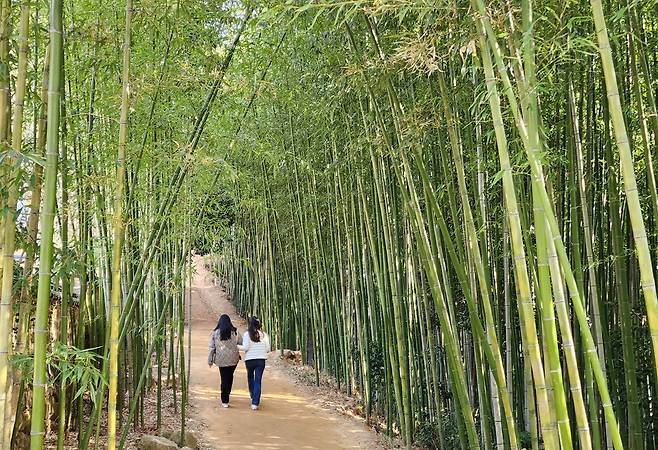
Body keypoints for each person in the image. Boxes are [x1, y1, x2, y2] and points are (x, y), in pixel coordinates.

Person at [208, 314, 242, 407]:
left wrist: (210, 360)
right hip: (234, 359)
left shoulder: (215, 333)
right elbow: (241, 342)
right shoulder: (235, 331)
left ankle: (225, 400)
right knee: (230, 376)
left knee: (224, 378)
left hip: (221, 359)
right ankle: (227, 393)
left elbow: (211, 347)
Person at [238, 316, 271, 410]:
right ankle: (255, 403)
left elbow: (245, 348)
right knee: (258, 380)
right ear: (259, 324)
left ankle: (253, 395)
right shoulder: (264, 335)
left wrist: (236, 346)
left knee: (250, 377)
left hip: (250, 360)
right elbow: (268, 349)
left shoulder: (247, 334)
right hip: (261, 360)